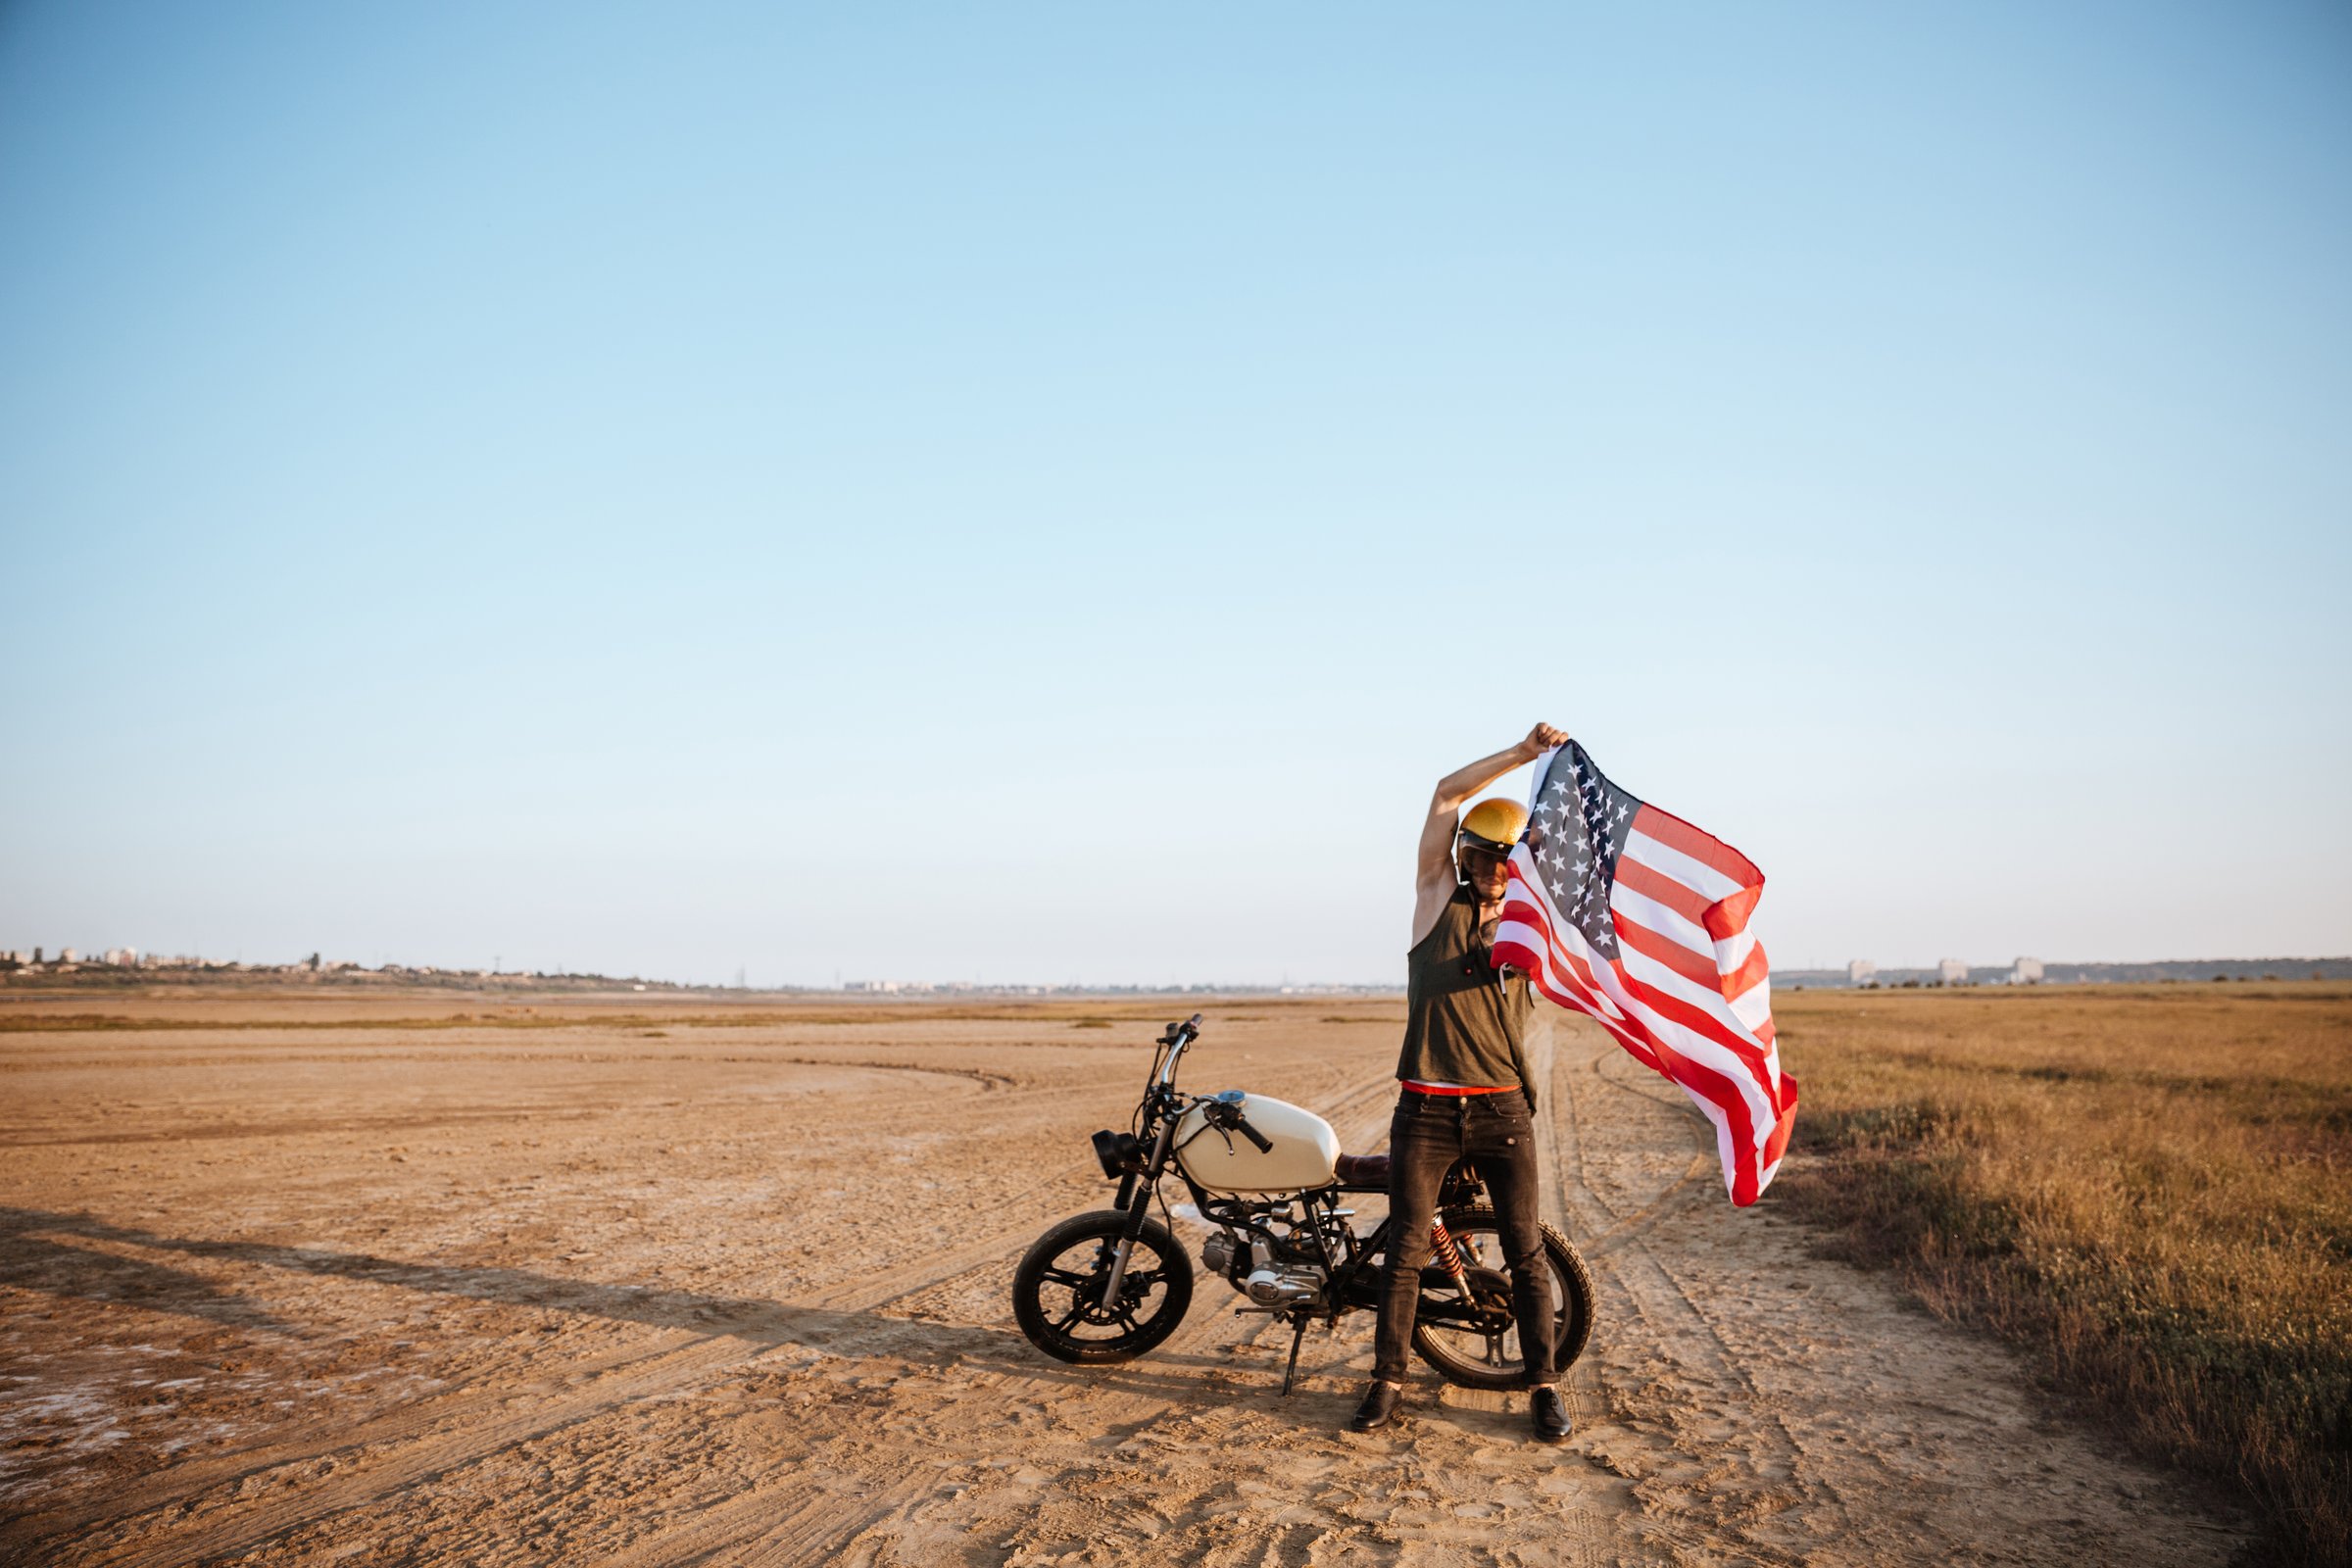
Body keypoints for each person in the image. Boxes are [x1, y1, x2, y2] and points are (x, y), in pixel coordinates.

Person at [1350, 722, 1573, 1444]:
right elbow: (1447, 794)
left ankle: (1543, 1386)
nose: (1493, 870)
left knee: (1525, 1250)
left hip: (1502, 1112)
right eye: (1482, 856)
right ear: (1464, 855)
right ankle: (1387, 1381)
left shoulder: (1531, 928)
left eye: (1508, 860)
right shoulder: (1434, 900)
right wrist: (1522, 755)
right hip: (1426, 1111)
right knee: (1406, 1251)